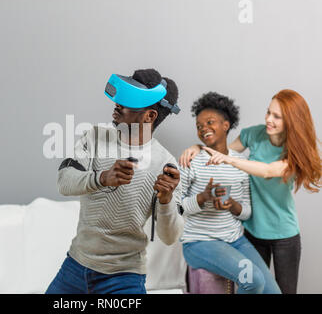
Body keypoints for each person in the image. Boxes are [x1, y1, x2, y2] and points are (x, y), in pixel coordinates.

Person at [46, 69, 184, 294]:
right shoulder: (94, 137)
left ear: (150, 116)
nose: (118, 104)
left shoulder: (165, 164)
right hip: (75, 267)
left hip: (123, 278)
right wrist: (102, 178)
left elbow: (170, 237)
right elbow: (64, 181)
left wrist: (166, 200)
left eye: (129, 101)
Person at [179, 89, 321, 294]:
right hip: (253, 231)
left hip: (283, 233)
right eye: (268, 112)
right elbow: (222, 149)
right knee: (254, 283)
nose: (268, 119)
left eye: (277, 116)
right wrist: (198, 147)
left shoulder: (294, 151)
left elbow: (267, 171)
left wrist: (229, 161)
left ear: (291, 121)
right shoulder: (254, 134)